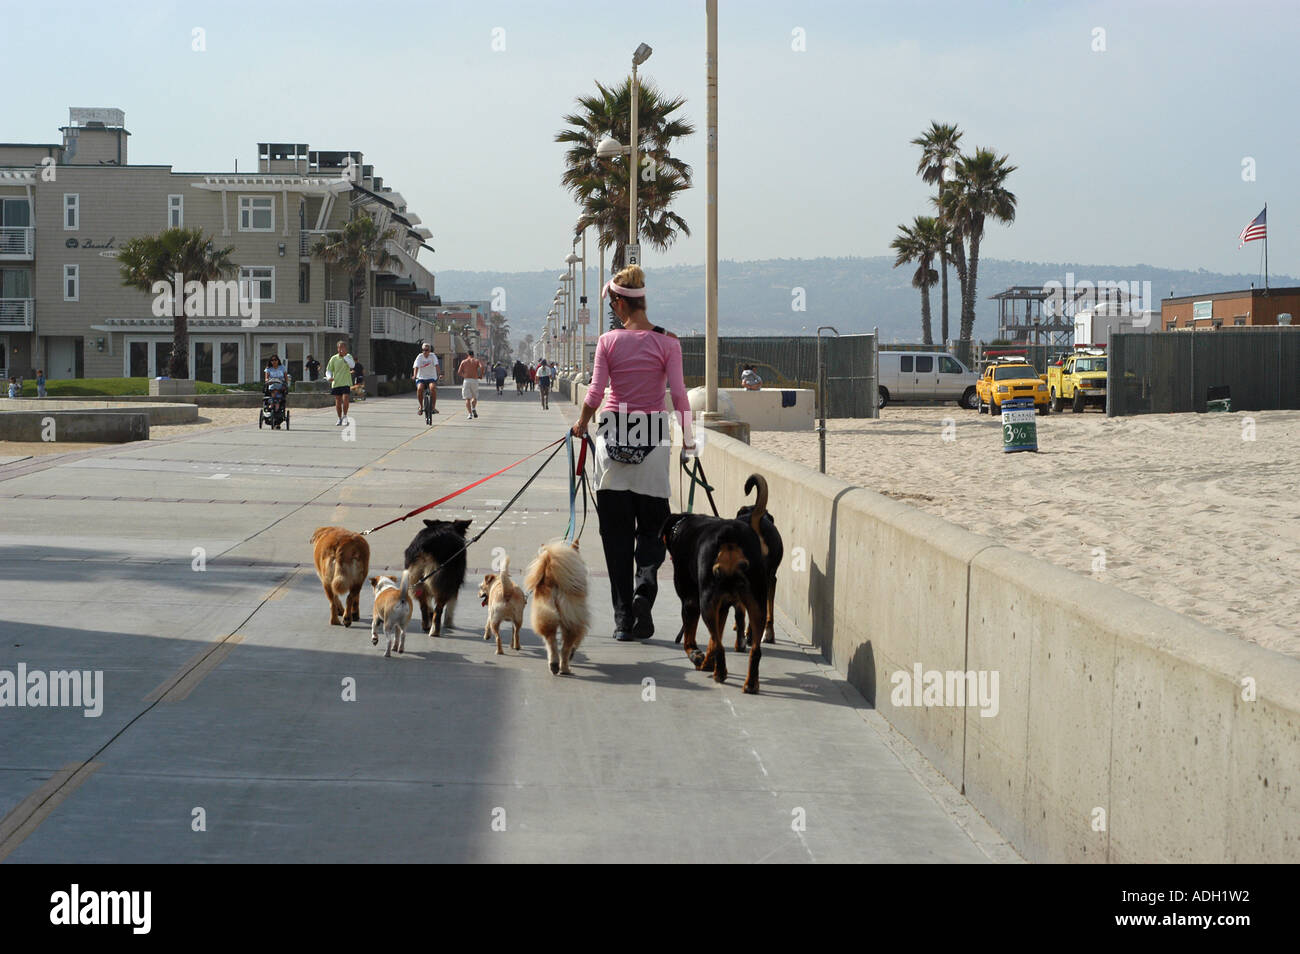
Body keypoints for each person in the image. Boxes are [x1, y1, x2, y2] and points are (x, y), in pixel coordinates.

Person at [570, 264, 695, 642]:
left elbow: (594, 393)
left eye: (613, 304)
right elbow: (678, 395)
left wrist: (581, 424)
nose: (613, 311)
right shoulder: (669, 343)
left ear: (622, 304)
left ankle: (624, 619)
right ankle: (645, 590)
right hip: (654, 439)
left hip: (612, 439)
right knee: (654, 531)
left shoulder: (608, 342)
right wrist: (690, 440)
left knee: (616, 538)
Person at [325, 339, 354, 426]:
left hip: (346, 382)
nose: (341, 349)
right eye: (339, 348)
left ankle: (345, 417)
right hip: (336, 383)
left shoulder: (349, 356)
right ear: (337, 348)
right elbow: (329, 370)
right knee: (338, 402)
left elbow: (352, 365)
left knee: (345, 400)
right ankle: (339, 418)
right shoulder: (334, 358)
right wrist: (329, 377)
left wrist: (345, 356)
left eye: (343, 347)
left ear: (346, 348)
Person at [412, 342, 440, 416]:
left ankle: (433, 407)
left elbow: (437, 365)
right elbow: (416, 367)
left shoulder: (433, 356)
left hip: (431, 377)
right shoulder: (420, 356)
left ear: (430, 350)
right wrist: (415, 375)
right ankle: (421, 406)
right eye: (423, 350)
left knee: (432, 388)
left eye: (426, 350)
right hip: (421, 377)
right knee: (420, 388)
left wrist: (440, 374)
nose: (425, 351)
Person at [458, 350, 483, 420]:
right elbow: (482, 367)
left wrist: (464, 376)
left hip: (467, 380)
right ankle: (474, 408)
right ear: (473, 355)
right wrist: (481, 375)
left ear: (468, 355)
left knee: (467, 398)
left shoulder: (464, 362)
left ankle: (469, 414)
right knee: (474, 397)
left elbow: (459, 372)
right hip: (474, 380)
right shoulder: (476, 361)